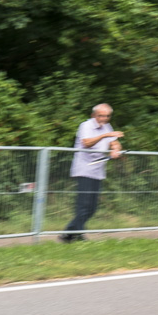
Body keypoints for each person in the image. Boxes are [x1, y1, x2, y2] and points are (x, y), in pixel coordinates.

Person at [62, 103, 124, 243]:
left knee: (92, 208)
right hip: (84, 169)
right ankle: (77, 235)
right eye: (101, 115)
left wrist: (116, 149)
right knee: (83, 206)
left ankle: (68, 234)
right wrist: (105, 135)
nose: (104, 118)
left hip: (97, 170)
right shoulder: (86, 125)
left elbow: (114, 142)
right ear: (93, 115)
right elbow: (86, 143)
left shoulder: (107, 127)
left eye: (107, 116)